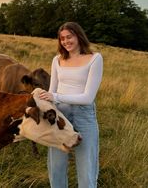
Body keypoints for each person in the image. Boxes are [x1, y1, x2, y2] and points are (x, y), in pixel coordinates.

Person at [39, 21, 103, 188]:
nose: (66, 41)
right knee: (57, 166)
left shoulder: (95, 58)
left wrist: (55, 96)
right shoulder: (57, 60)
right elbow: (51, 92)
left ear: (78, 36)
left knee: (86, 167)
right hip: (60, 114)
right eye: (62, 39)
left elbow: (88, 97)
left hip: (84, 115)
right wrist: (43, 98)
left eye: (69, 37)